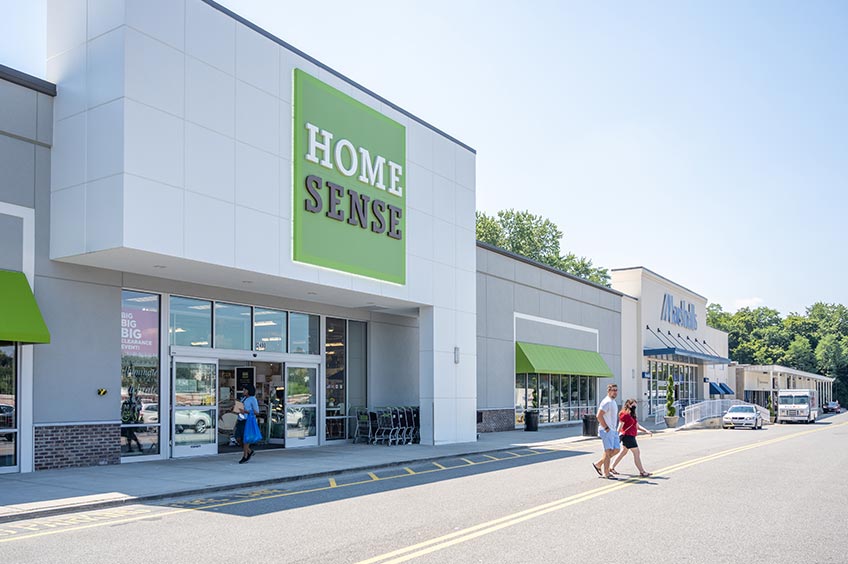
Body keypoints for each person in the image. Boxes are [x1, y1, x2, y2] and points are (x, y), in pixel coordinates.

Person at [611, 398, 653, 478]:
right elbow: (620, 427)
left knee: (623, 452)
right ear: (628, 405)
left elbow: (637, 426)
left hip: (631, 435)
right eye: (632, 405)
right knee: (636, 453)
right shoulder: (625, 414)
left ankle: (611, 467)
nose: (634, 406)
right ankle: (642, 471)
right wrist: (615, 436)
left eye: (635, 405)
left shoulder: (632, 415)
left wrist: (646, 431)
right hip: (628, 436)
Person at [592, 383, 620, 479]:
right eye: (613, 390)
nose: (615, 392)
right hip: (606, 430)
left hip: (613, 430)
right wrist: (606, 428)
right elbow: (599, 415)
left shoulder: (613, 402)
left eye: (616, 390)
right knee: (608, 452)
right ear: (608, 391)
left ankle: (599, 464)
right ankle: (606, 473)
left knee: (617, 449)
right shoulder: (606, 402)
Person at [237, 383, 260, 464]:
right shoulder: (243, 399)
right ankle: (249, 451)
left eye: (245, 390)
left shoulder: (253, 399)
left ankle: (245, 455)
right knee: (238, 438)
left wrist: (245, 411)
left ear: (249, 391)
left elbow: (257, 412)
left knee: (245, 439)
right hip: (240, 419)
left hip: (247, 421)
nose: (243, 391)